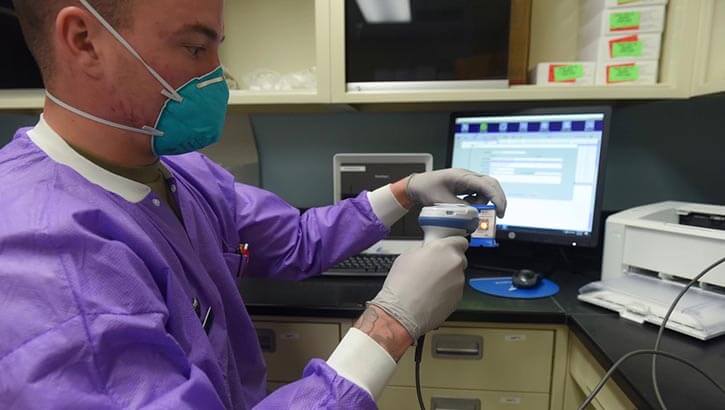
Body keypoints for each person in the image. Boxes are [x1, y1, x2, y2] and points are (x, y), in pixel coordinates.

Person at [0, 1, 506, 409]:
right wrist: (388, 326)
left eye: (217, 49)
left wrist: (405, 191)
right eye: (195, 47)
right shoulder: (47, 259)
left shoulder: (178, 169)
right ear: (84, 40)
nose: (218, 77)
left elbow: (296, 240)